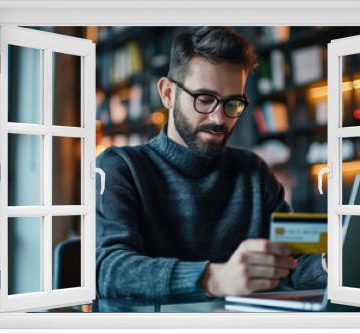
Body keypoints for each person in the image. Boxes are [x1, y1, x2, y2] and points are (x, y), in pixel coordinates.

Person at [95, 27, 326, 310]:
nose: (219, 118)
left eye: (233, 103)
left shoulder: (253, 171)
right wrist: (214, 278)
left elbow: (295, 260)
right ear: (168, 93)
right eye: (204, 99)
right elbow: (109, 270)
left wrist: (330, 263)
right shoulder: (121, 166)